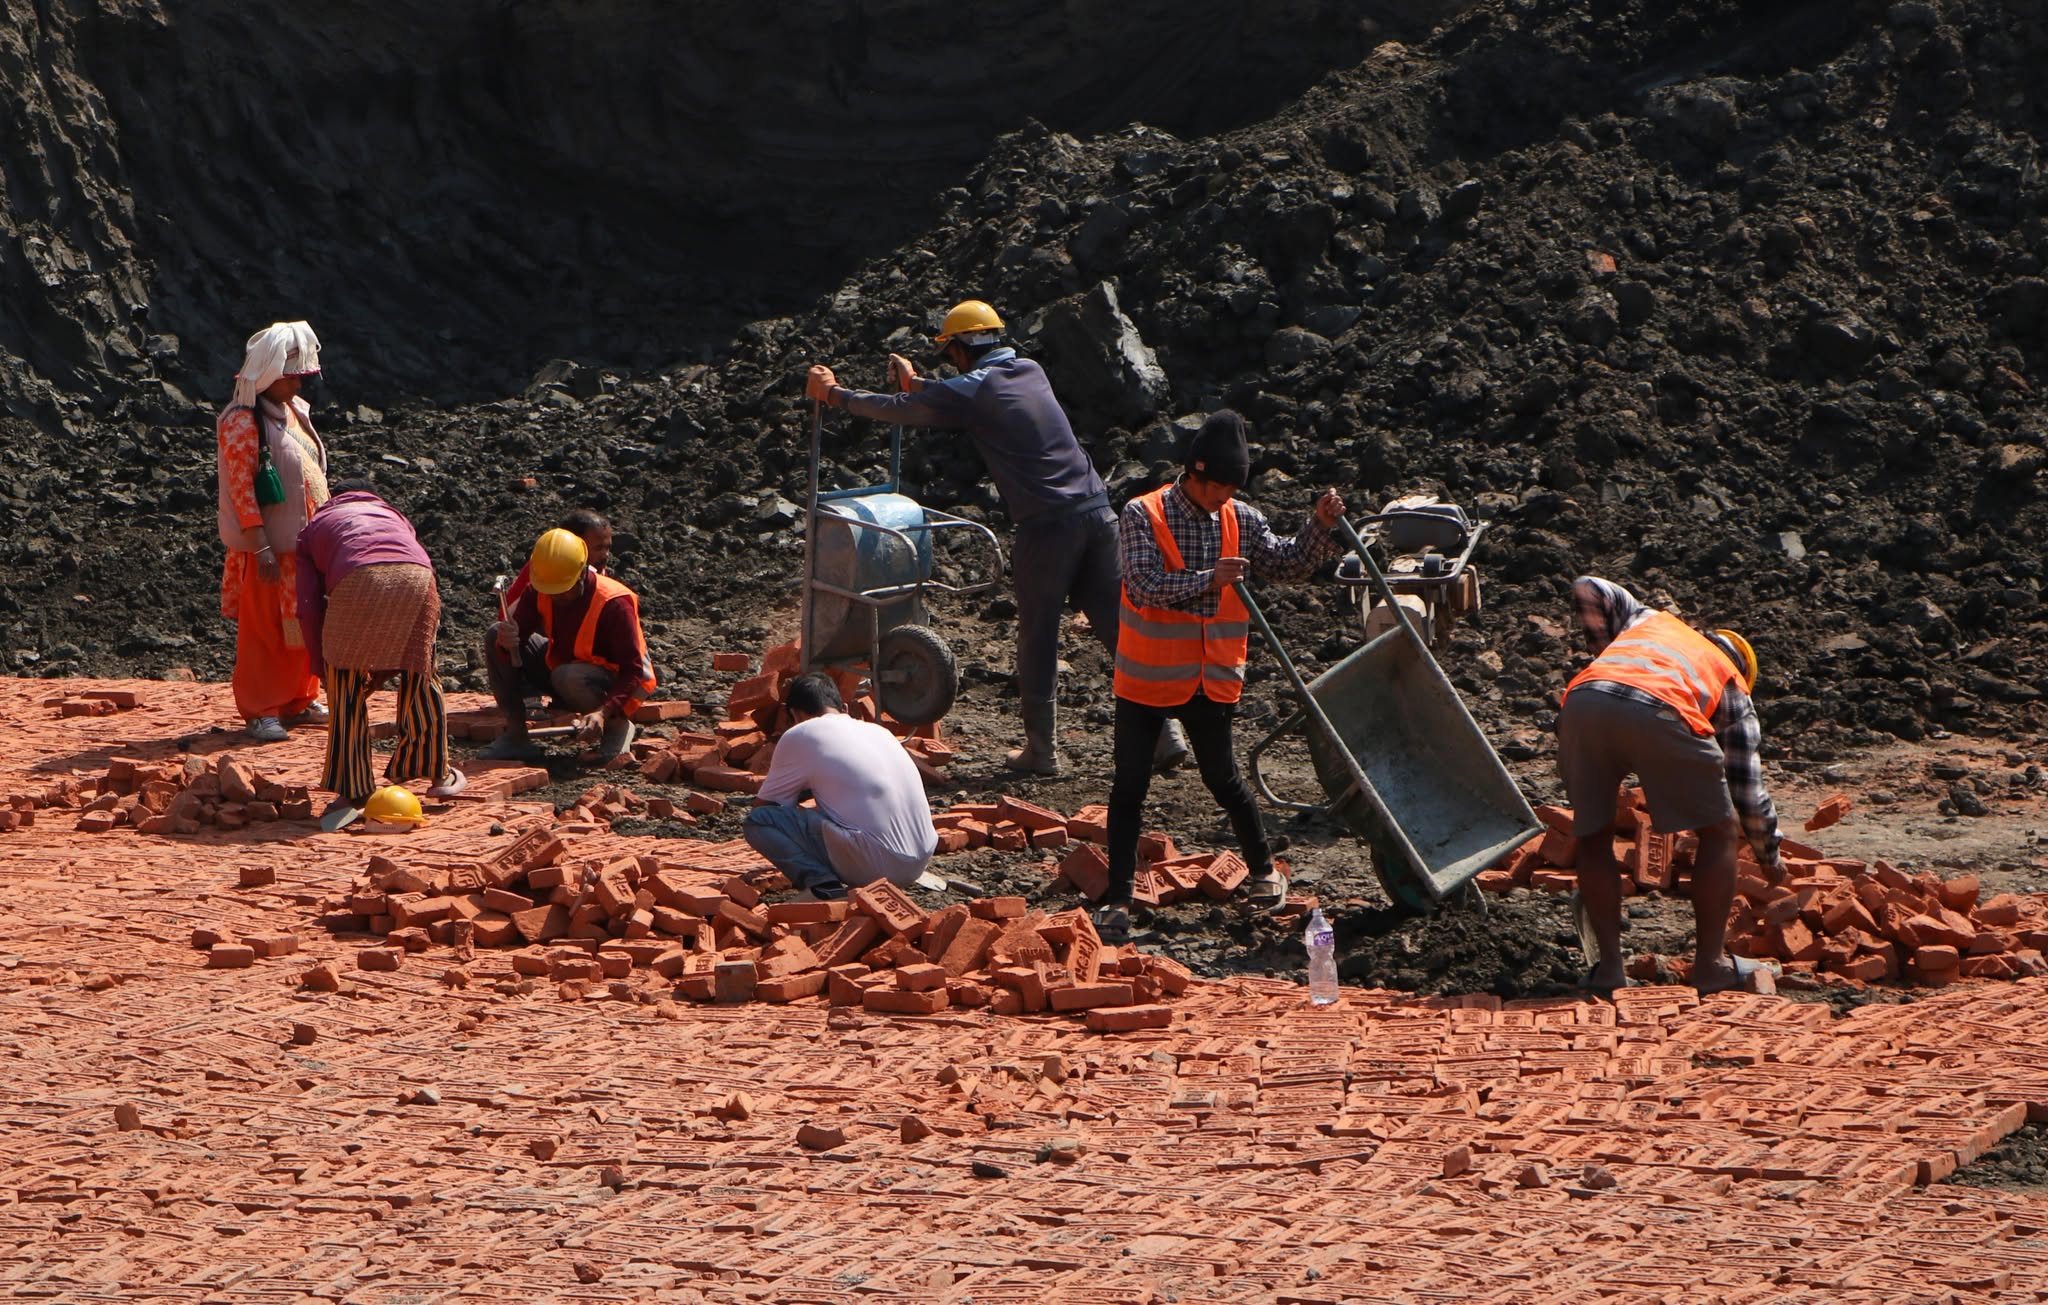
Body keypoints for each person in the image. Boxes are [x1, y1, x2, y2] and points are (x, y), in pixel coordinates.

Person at [805, 299, 1189, 775]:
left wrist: (835, 394)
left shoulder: (972, 388)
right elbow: (957, 396)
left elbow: (909, 410)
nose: (952, 362)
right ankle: (1167, 733)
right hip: (1097, 513)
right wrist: (921, 383)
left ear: (962, 350)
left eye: (950, 354)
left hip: (1048, 528)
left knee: (1038, 637)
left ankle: (1041, 753)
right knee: (1120, 628)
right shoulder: (1029, 370)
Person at [1098, 410, 1345, 941]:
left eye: (1232, 489)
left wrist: (1319, 527)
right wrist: (1210, 579)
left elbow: (1285, 564)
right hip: (1148, 676)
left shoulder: (1240, 516)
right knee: (1130, 785)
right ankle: (1118, 897)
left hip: (1211, 677)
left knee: (1224, 778)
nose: (1223, 498)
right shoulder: (1144, 513)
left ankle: (1261, 871)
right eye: (1217, 488)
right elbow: (1142, 585)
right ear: (1194, 473)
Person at [1560, 576, 1783, 996]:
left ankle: (1609, 972)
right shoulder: (1731, 686)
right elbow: (1747, 793)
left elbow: (1589, 587)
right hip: (1662, 707)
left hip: (1584, 700)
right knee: (1719, 832)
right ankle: (1712, 967)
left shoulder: (1650, 622)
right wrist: (1769, 854)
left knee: (1593, 833)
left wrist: (1603, 649)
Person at [295, 481, 465, 832]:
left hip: (355, 578)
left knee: (345, 685)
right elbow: (399, 569)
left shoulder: (314, 529)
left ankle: (351, 788)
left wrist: (322, 666)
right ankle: (436, 772)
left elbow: (308, 607)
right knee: (420, 672)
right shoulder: (394, 515)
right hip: (419, 578)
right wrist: (389, 664)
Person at [216, 321, 331, 742]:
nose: (299, 382)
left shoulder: (296, 413)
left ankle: (299, 699)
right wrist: (260, 543)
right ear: (268, 376)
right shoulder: (242, 422)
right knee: (263, 629)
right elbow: (241, 488)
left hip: (302, 547)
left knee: (301, 622)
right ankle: (261, 708)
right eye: (291, 375)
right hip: (266, 549)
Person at [743, 672, 938, 899]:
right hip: (919, 861)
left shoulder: (800, 733)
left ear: (795, 714)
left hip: (877, 866)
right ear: (844, 708)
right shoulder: (880, 732)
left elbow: (767, 807)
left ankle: (823, 885)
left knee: (760, 821)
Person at [480, 528, 655, 763]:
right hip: (566, 668)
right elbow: (513, 640)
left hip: (617, 684)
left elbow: (633, 670)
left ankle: (615, 726)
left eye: (564, 592)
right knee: (495, 633)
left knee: (568, 675)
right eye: (551, 592)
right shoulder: (542, 589)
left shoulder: (615, 602)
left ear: (582, 573)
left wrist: (604, 711)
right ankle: (516, 736)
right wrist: (505, 642)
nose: (556, 598)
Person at [501, 508, 612, 609]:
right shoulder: (545, 568)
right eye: (598, 548)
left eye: (607, 547)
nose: (605, 555)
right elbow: (509, 617)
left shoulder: (598, 571)